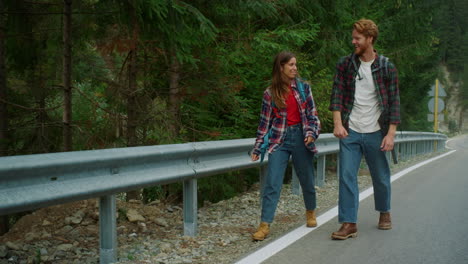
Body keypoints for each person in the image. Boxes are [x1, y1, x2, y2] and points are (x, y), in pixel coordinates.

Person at [329, 18, 400, 240]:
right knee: (347, 176)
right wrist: (338, 123)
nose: (353, 42)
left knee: (380, 176)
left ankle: (384, 212)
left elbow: (395, 103)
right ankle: (349, 223)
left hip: (376, 132)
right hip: (350, 131)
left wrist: (390, 134)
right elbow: (337, 95)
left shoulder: (386, 66)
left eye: (357, 38)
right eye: (353, 38)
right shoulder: (345, 64)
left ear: (370, 39)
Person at [250, 51, 321, 241]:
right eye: (290, 65)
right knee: (272, 182)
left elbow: (313, 116)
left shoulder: (304, 88)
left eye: (295, 65)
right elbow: (264, 123)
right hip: (278, 140)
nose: (295, 68)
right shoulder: (270, 93)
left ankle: (310, 212)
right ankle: (264, 225)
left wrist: (311, 134)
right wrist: (258, 148)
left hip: (301, 137)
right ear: (281, 67)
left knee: (306, 179)